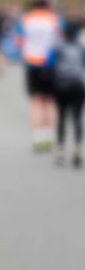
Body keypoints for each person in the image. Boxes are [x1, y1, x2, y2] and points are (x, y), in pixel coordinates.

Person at [14, 0, 64, 152]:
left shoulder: (26, 18)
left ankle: (38, 136)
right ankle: (49, 135)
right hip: (50, 64)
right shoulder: (54, 19)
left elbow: (18, 41)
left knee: (36, 100)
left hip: (32, 62)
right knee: (49, 100)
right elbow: (60, 40)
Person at [51, 20, 85, 167]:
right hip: (78, 85)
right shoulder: (81, 48)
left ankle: (60, 150)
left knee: (61, 116)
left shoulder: (58, 47)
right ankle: (78, 148)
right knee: (77, 117)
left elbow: (49, 63)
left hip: (62, 85)